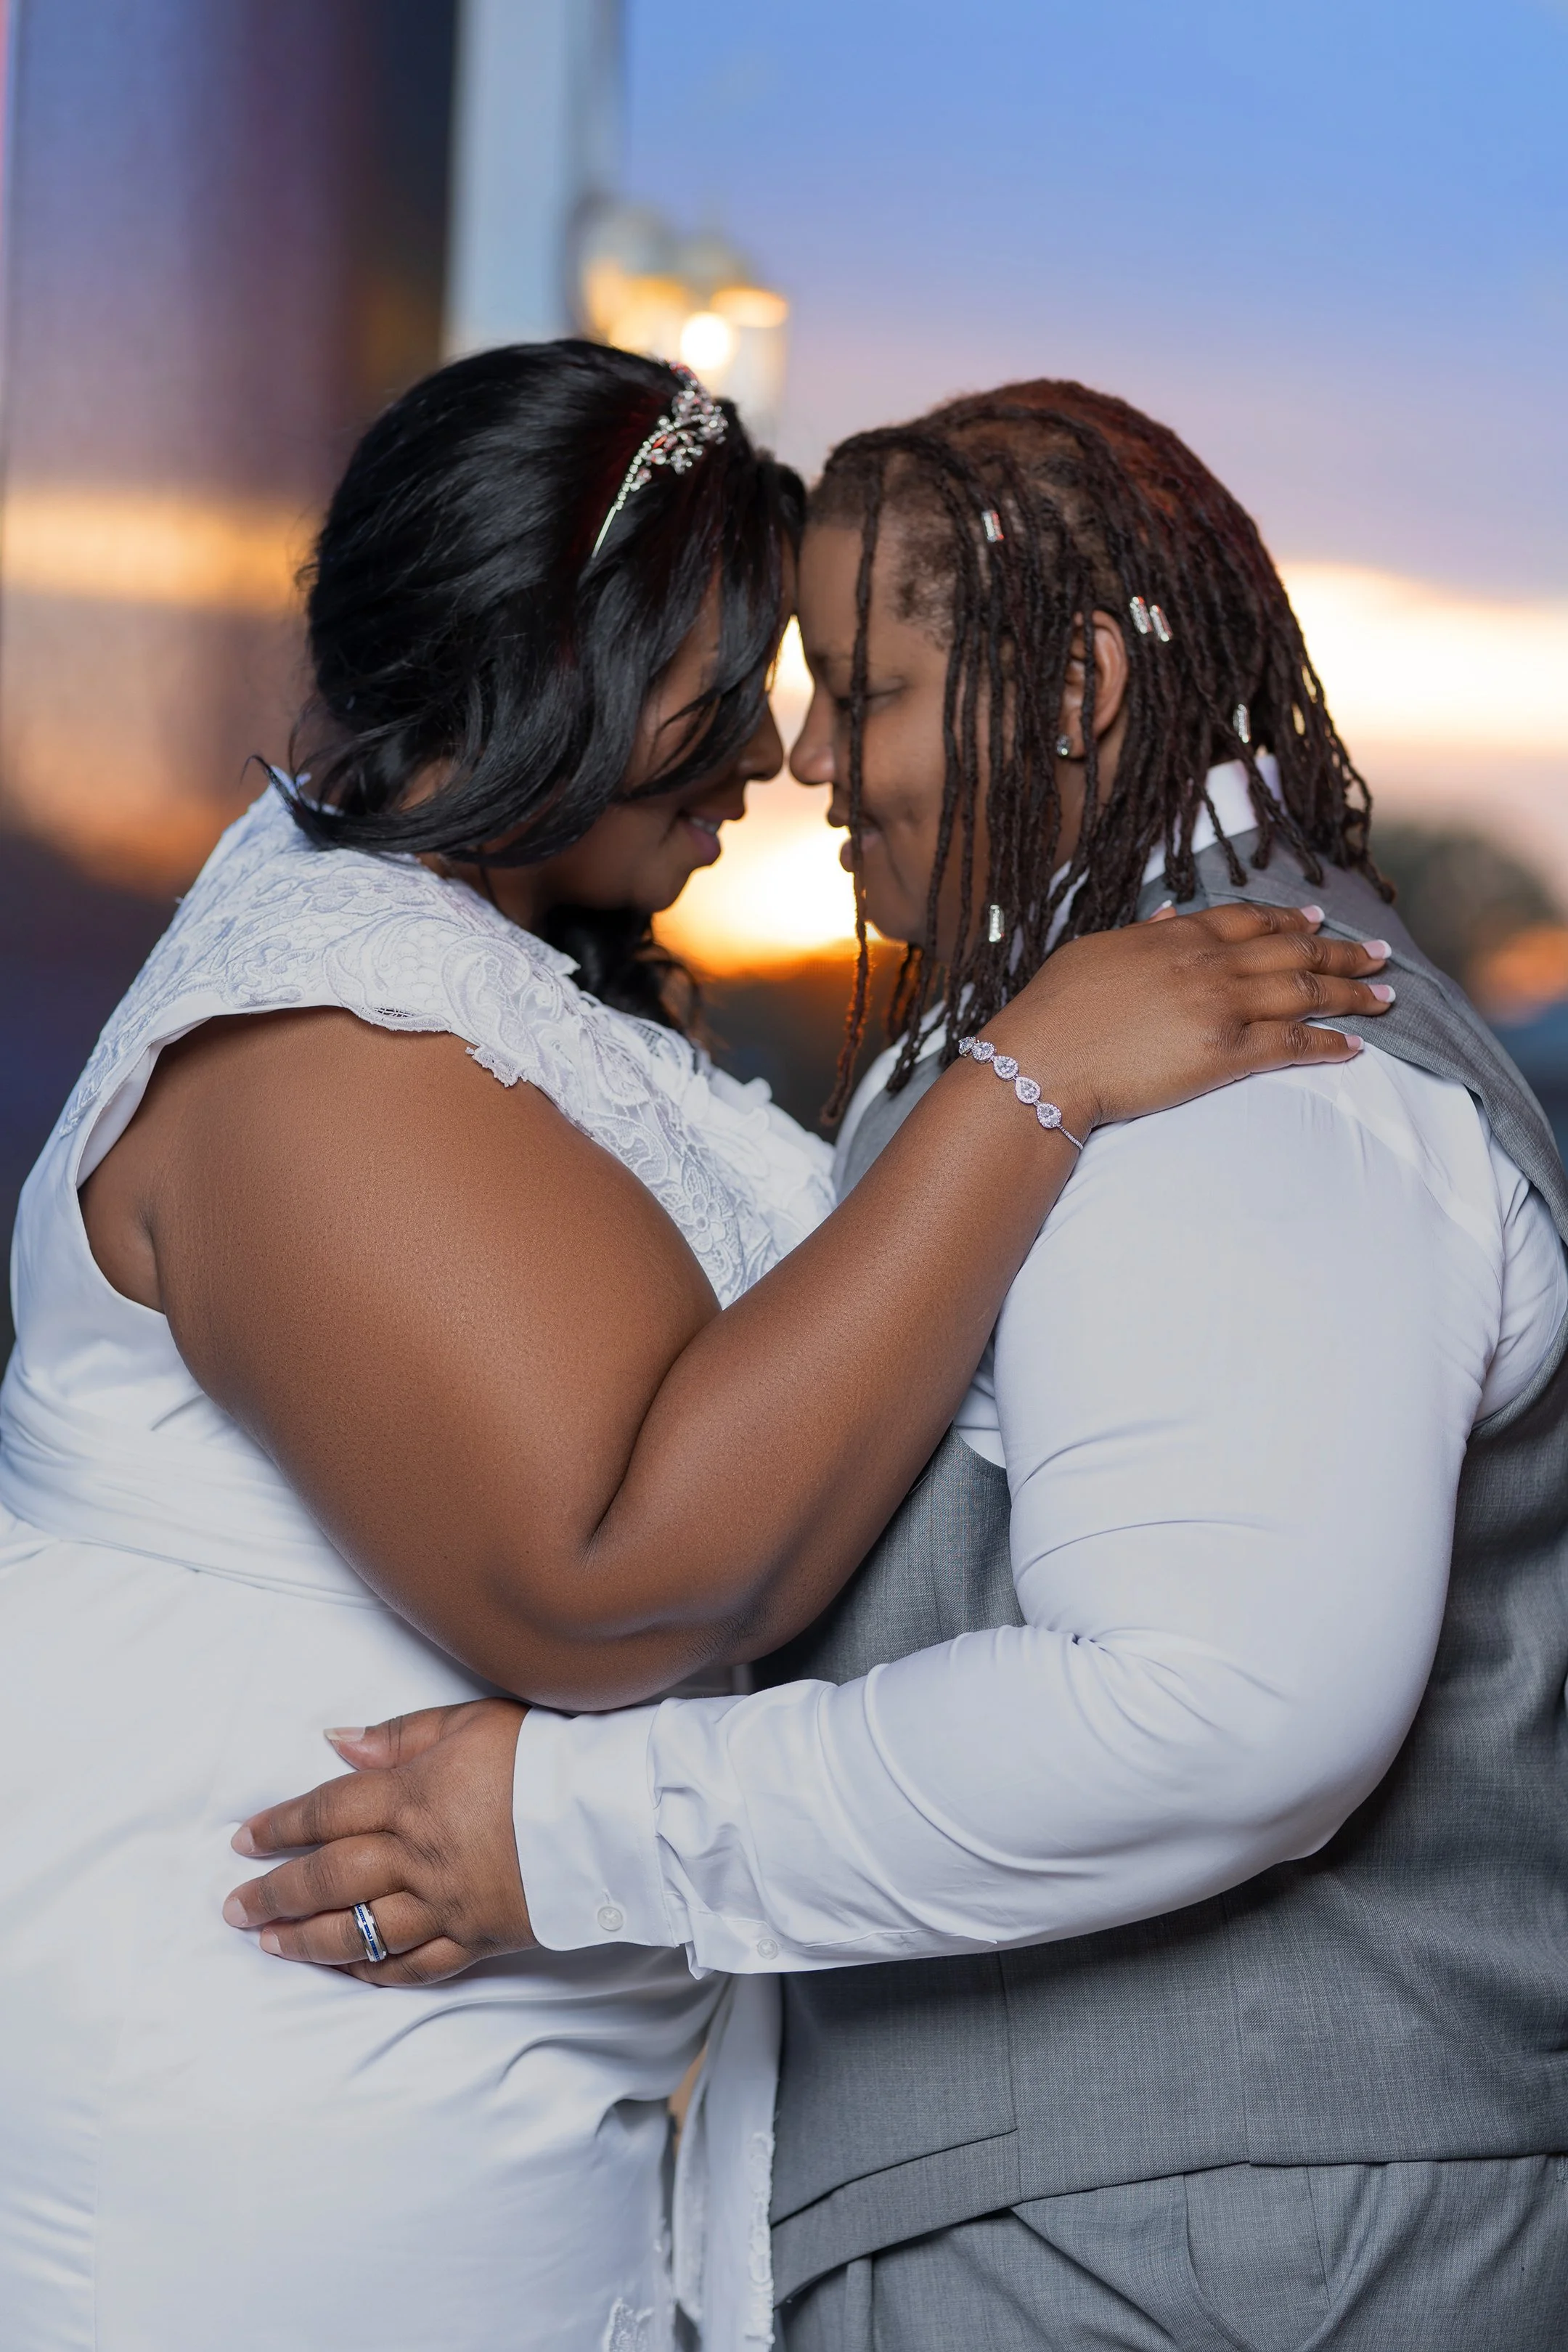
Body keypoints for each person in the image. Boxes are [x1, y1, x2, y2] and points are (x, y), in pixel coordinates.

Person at [0, 348, 1381, 2352]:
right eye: (735, 674)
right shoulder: (316, 1037)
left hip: (484, 2100)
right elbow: (616, 1581)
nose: (777, 745)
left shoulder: (475, 980)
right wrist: (1032, 1083)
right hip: (267, 2108)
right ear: (570, 655)